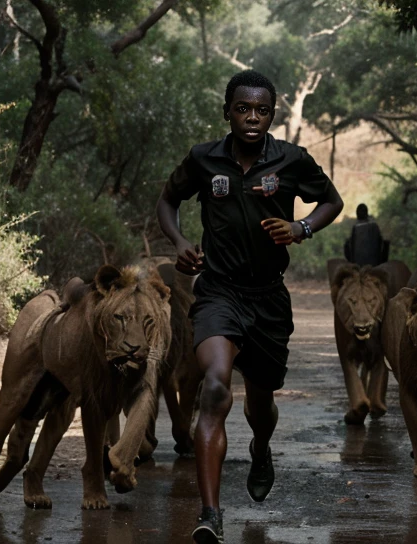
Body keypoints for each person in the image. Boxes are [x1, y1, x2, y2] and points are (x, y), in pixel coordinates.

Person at [156, 69, 343, 544]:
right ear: (228, 112)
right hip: (218, 291)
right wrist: (178, 240)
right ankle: (211, 515)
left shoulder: (292, 160)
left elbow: (332, 201)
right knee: (215, 389)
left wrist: (301, 228)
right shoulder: (204, 159)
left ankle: (261, 447)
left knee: (260, 403)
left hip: (269, 300)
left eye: (262, 110)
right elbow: (168, 200)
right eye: (243, 108)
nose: (252, 118)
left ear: (272, 114)